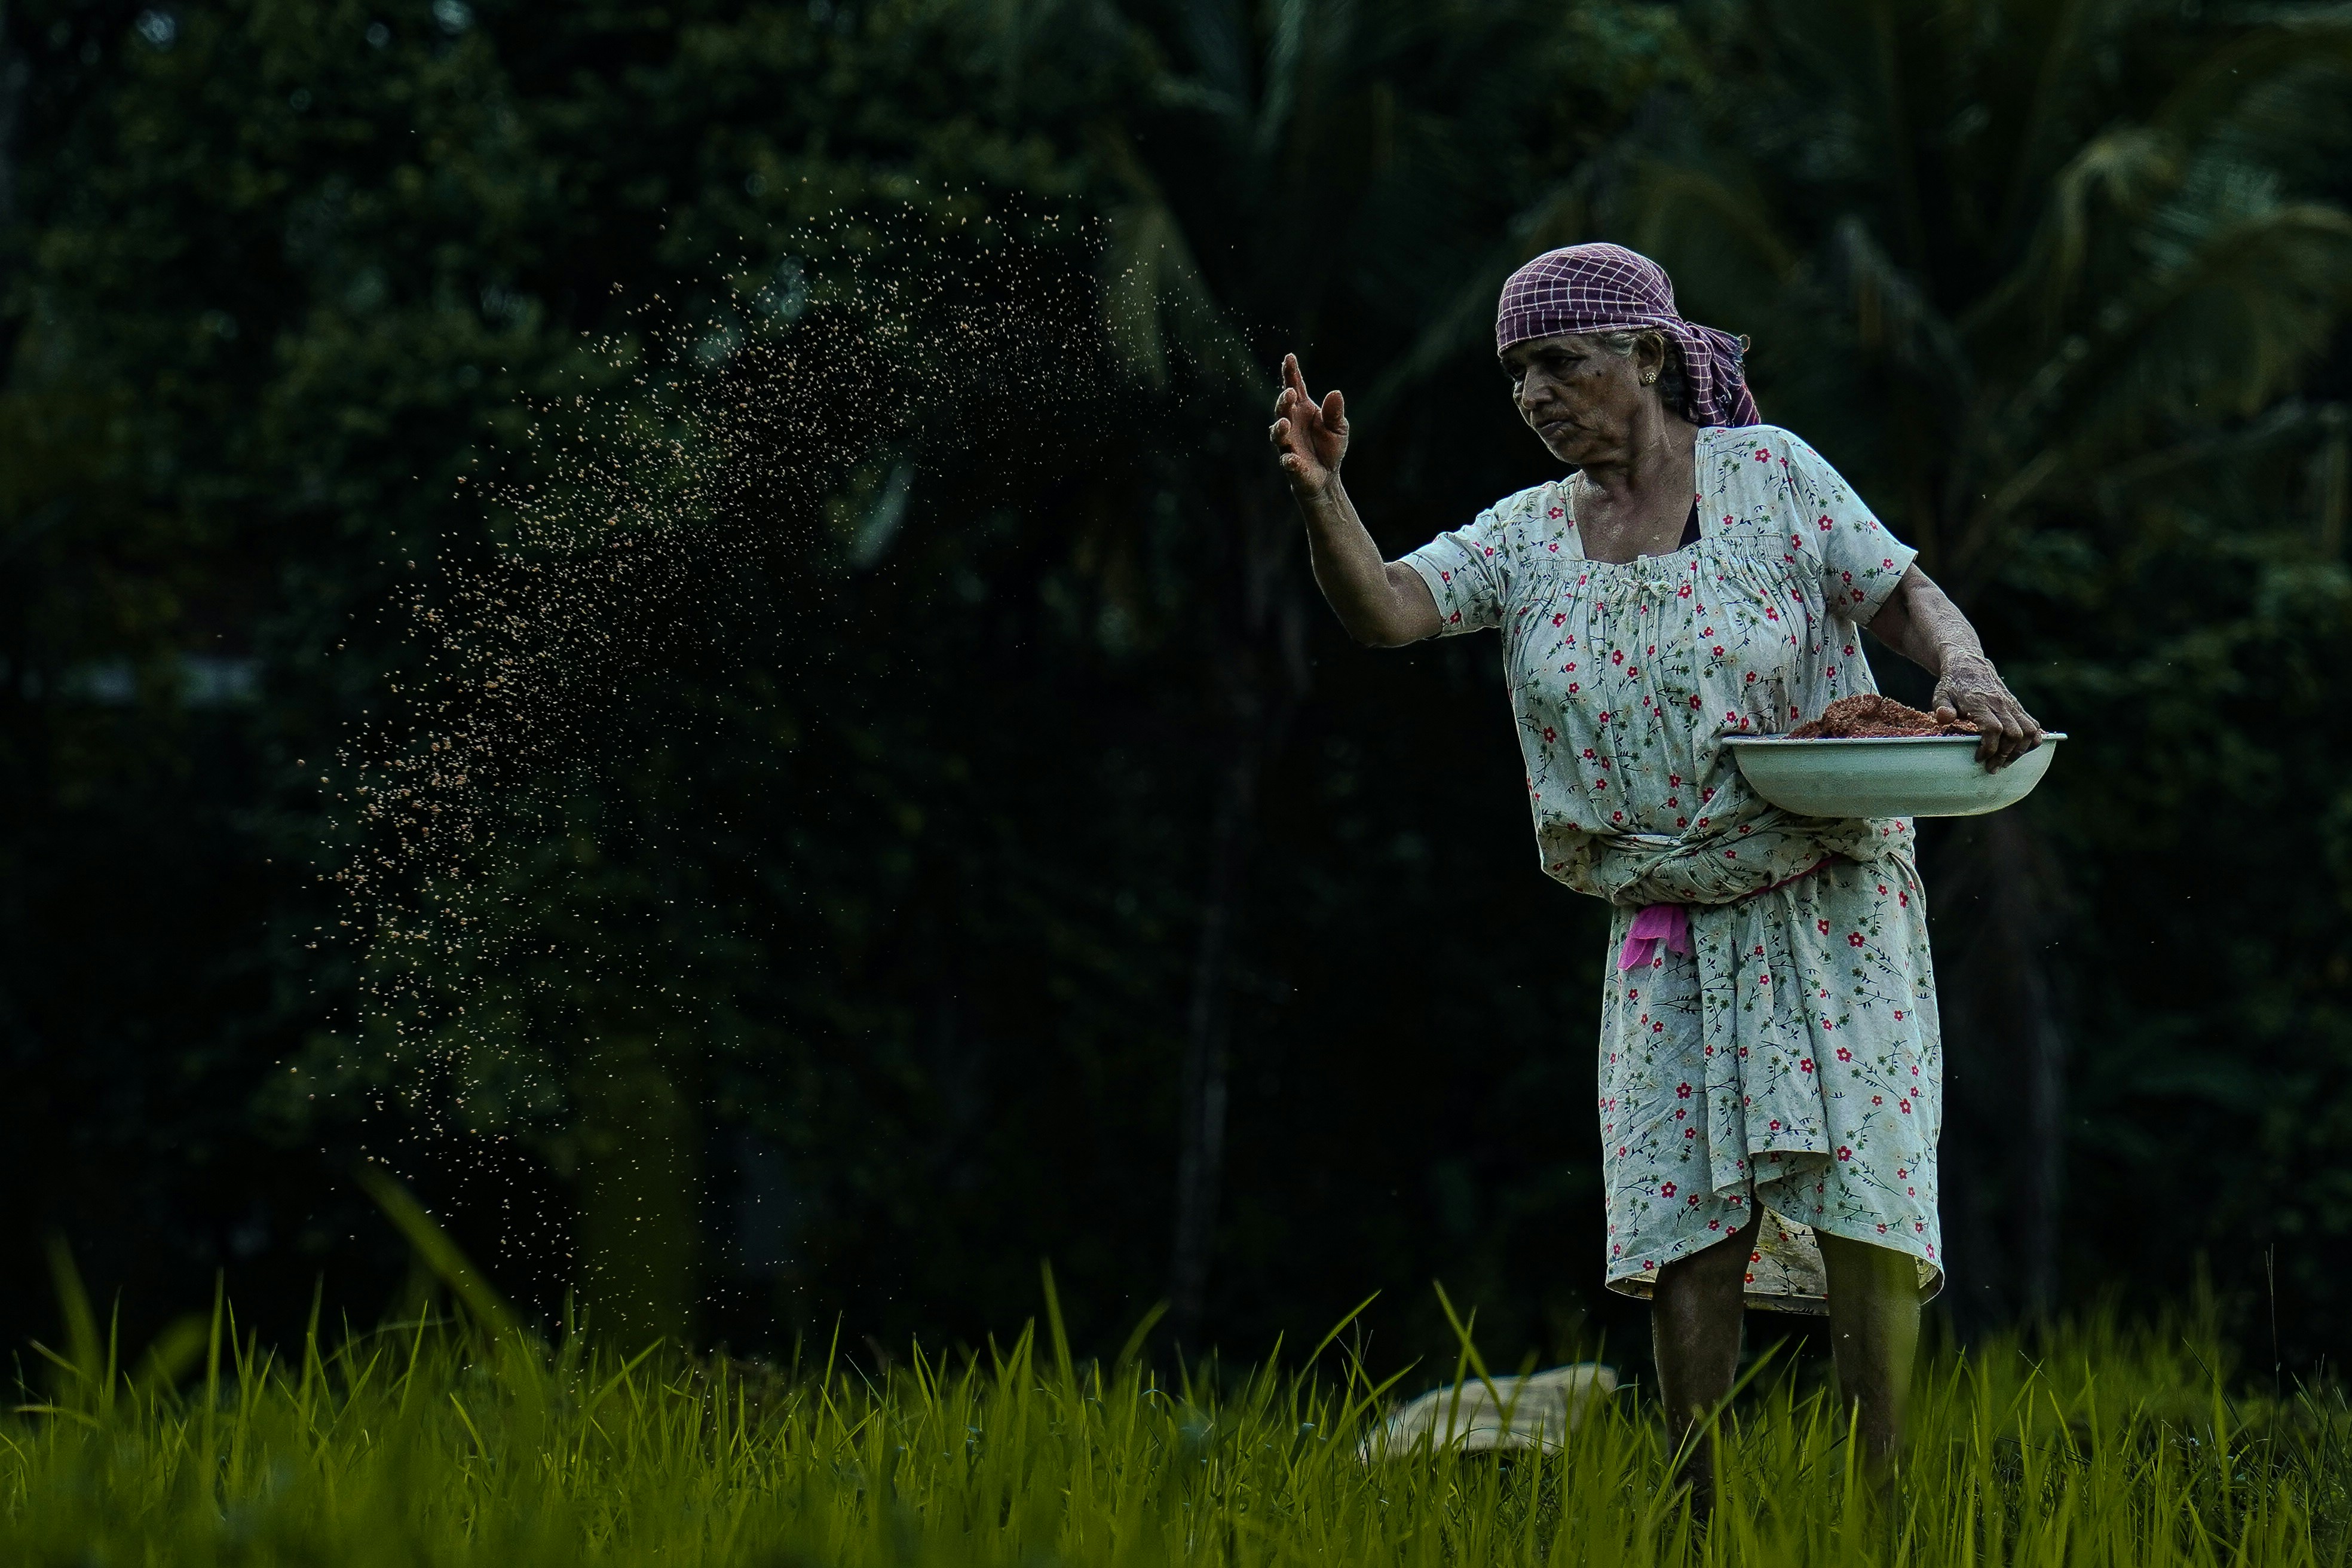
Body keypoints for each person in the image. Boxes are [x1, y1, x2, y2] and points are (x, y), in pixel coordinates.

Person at [1267, 243, 2041, 1505]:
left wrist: (1967, 671)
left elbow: (1902, 593)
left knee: (1867, 1203)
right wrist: (1322, 495)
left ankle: (1882, 1509)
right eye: (1517, 374)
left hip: (1827, 892)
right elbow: (1391, 610)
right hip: (1666, 916)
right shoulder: (1526, 535)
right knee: (1683, 1214)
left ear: (1647, 357)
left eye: (1561, 363)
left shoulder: (1773, 477)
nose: (1536, 395)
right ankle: (1699, 1508)